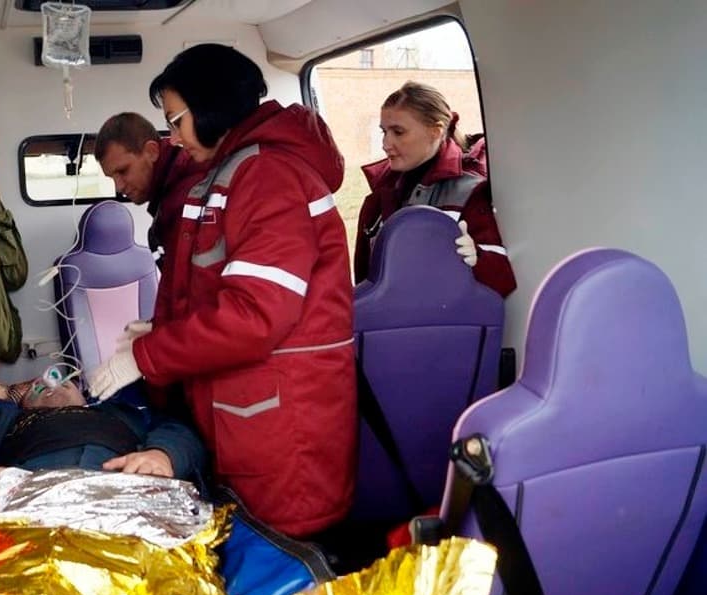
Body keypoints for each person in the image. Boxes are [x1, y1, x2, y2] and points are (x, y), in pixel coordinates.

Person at [88, 44, 356, 539]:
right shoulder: (228, 174)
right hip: (247, 420)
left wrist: (149, 355)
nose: (172, 138)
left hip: (281, 429)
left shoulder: (269, 176)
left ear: (212, 107)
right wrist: (160, 329)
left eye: (177, 121)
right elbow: (214, 287)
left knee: (288, 562)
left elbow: (254, 316)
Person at [354, 81, 516, 297]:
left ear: (436, 131)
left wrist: (477, 257)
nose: (386, 143)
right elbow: (364, 283)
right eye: (384, 132)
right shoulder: (379, 196)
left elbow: (503, 279)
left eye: (398, 132)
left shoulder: (468, 192)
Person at [0, 366, 206, 494]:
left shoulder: (124, 412)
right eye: (37, 387)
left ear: (84, 396)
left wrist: (163, 454)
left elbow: (181, 431)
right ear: (23, 403)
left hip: (124, 488)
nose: (51, 385)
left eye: (65, 382)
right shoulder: (0, 418)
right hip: (29, 492)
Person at [95, 112, 207, 272]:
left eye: (123, 171)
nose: (119, 187)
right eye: (112, 177)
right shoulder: (170, 198)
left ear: (151, 152)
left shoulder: (188, 197)